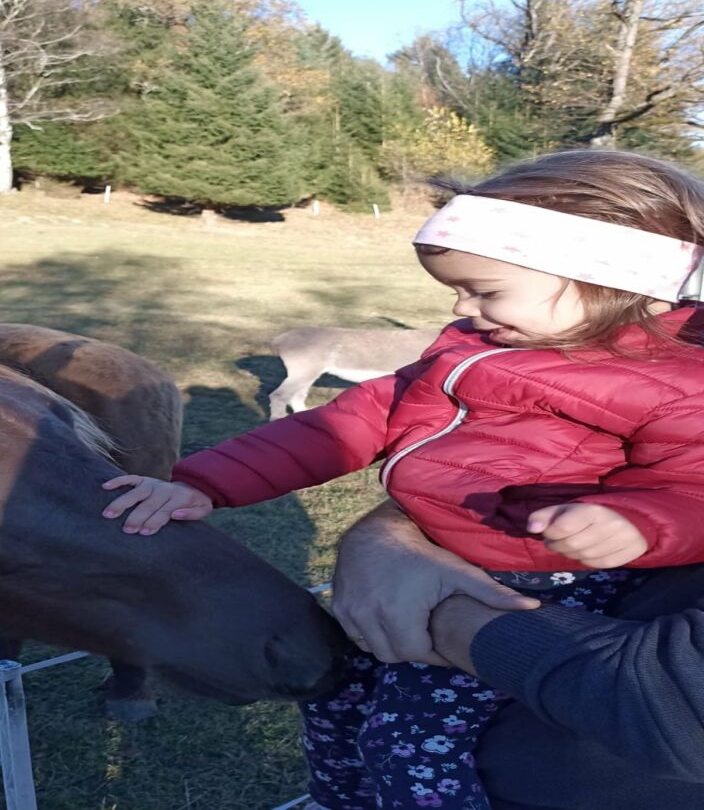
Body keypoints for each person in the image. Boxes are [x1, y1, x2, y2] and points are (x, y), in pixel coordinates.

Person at [100, 150, 704, 809]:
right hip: (442, 561)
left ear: (620, 283)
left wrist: (638, 523)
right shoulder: (474, 348)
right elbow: (346, 423)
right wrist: (205, 483)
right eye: (457, 289)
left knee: (412, 744)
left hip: (538, 591)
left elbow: (693, 488)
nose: (463, 307)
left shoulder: (674, 385)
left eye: (486, 291)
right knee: (334, 697)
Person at [338, 500, 704, 809]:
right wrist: (391, 527)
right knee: (352, 691)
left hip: (509, 603)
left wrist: (438, 609)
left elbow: (676, 710)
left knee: (400, 745)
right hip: (501, 574)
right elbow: (452, 466)